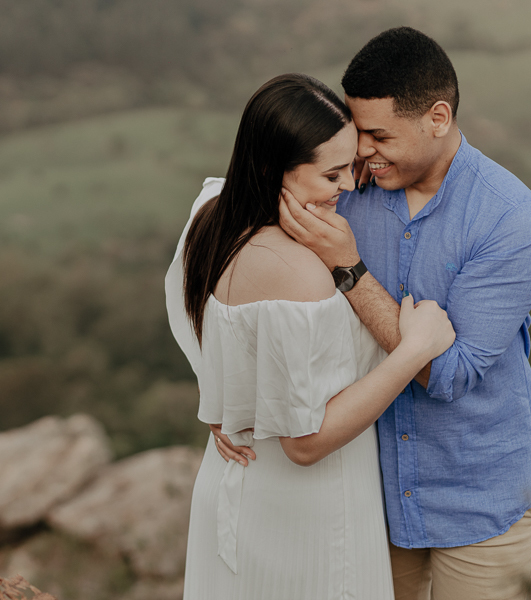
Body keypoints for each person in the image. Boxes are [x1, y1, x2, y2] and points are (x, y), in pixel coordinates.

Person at [258, 27, 531, 600]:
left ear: (437, 118)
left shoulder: (511, 219)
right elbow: (243, 258)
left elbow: (450, 374)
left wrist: (350, 269)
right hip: (365, 492)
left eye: (378, 135)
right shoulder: (342, 184)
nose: (361, 149)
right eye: (356, 129)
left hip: (479, 502)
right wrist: (230, 394)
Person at [165, 73, 455, 600]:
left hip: (233, 486)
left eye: (351, 165)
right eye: (332, 174)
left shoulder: (211, 211)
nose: (351, 186)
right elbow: (305, 442)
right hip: (309, 514)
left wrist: (219, 394)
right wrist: (414, 350)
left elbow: (189, 309)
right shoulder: (296, 272)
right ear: (271, 170)